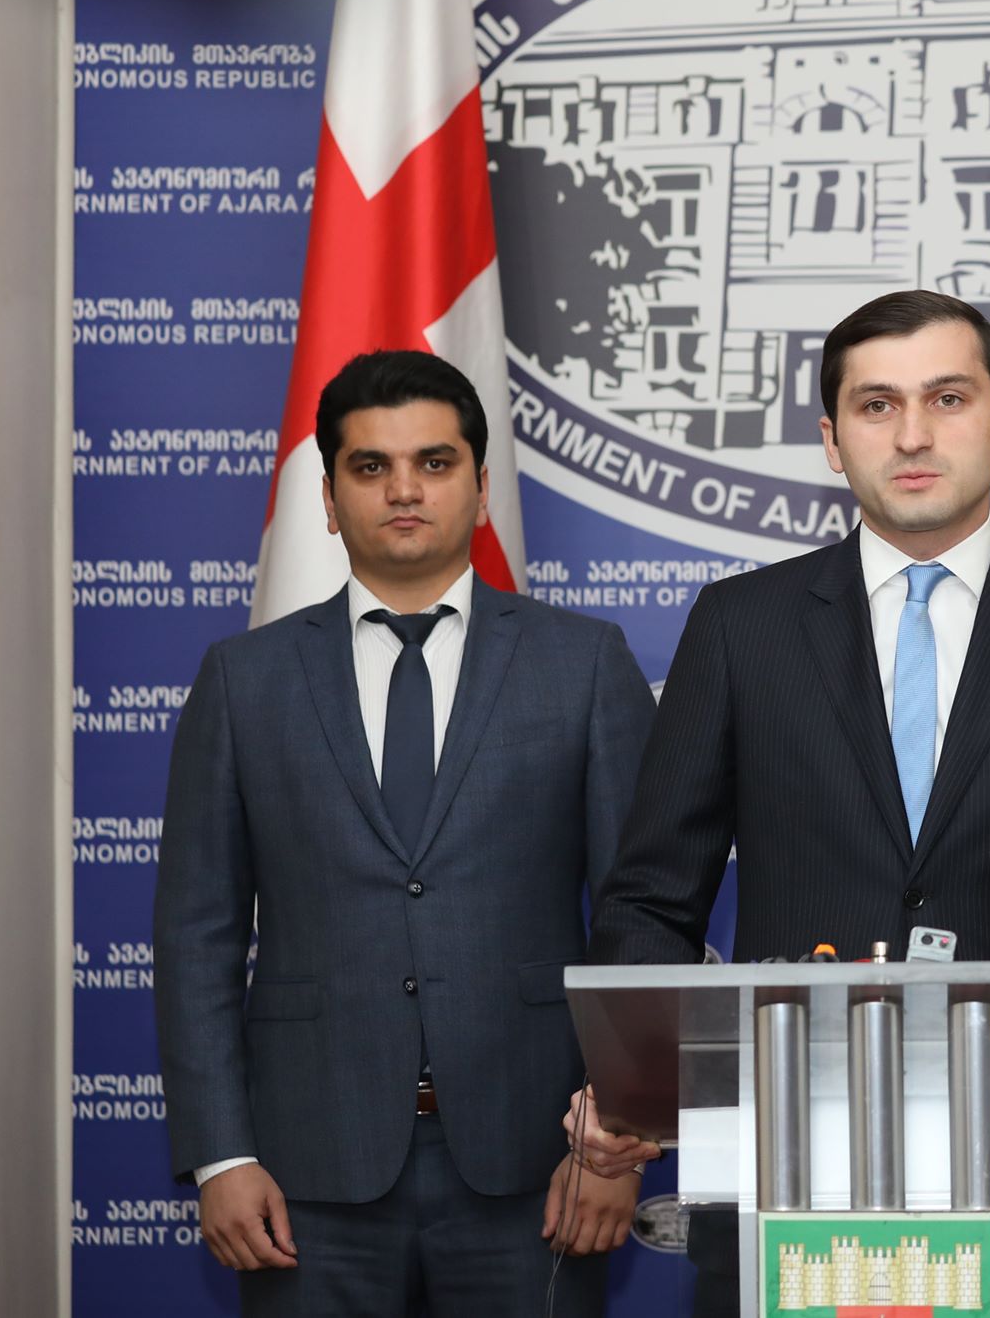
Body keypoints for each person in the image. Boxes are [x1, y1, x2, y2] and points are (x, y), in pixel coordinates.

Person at [571, 289, 990, 1316]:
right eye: (876, 406)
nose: (913, 434)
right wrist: (632, 1085)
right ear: (832, 441)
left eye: (947, 398)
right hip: (784, 1167)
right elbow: (652, 897)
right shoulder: (741, 628)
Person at [154, 350, 656, 1317]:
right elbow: (195, 937)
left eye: (434, 462)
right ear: (329, 498)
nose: (404, 490)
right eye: (370, 467)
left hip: (538, 1166)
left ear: (480, 486)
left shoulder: (583, 664)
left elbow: (638, 919)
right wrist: (221, 1155)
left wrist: (615, 1143)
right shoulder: (243, 681)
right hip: (305, 1173)